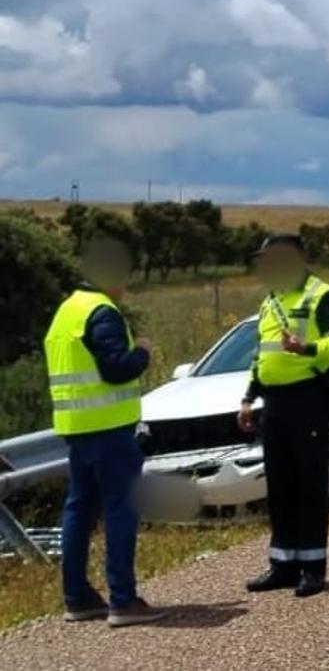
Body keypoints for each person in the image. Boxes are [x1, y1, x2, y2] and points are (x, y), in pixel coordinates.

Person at [43, 236, 165, 627]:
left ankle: (78, 597)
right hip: (110, 428)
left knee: (78, 510)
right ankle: (122, 600)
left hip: (77, 429)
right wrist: (143, 352)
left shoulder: (66, 311)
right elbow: (116, 368)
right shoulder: (102, 311)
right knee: (121, 508)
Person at [238, 234, 329, 597]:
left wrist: (309, 349)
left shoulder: (322, 295)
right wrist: (248, 398)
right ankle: (282, 564)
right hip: (274, 404)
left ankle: (312, 568)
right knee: (281, 486)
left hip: (310, 400)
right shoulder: (269, 301)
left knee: (310, 486)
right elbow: (261, 356)